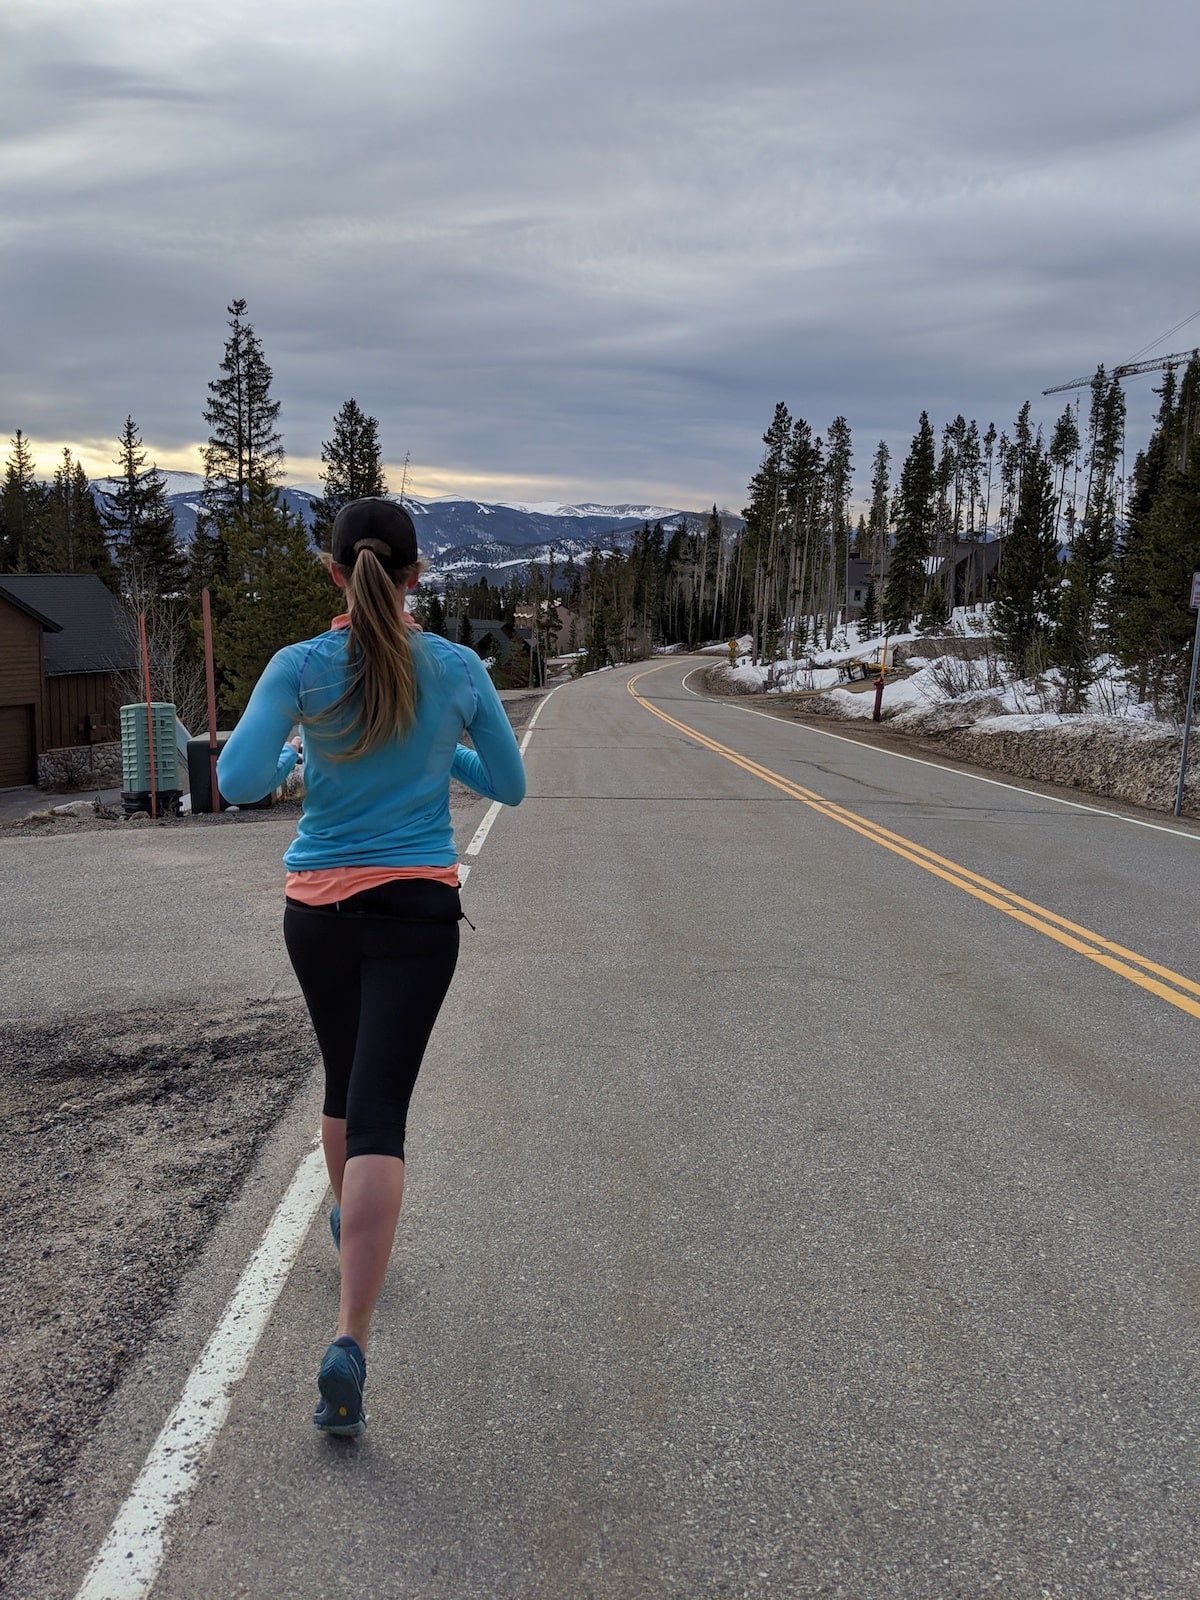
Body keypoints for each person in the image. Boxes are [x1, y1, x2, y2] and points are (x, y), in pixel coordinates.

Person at [217, 497, 526, 1437]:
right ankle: (350, 1334)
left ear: (333, 570)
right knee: (384, 1108)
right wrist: (444, 750)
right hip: (417, 913)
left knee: (343, 1084)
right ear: (417, 576)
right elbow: (509, 785)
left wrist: (309, 749)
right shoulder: (457, 666)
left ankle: (348, 1220)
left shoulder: (300, 667)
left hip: (317, 911)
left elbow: (235, 781)